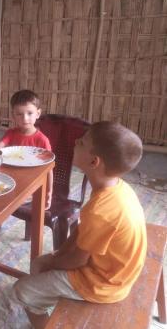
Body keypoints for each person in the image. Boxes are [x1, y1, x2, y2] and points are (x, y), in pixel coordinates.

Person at [12, 121, 146, 329]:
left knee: (23, 290)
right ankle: (50, 298)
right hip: (112, 272)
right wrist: (57, 255)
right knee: (38, 264)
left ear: (94, 162)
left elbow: (77, 259)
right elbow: (81, 234)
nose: (75, 141)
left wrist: (53, 264)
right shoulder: (116, 188)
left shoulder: (101, 210)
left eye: (82, 142)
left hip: (103, 284)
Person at [0, 89, 53, 208]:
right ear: (13, 116)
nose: (25, 118)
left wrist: (49, 192)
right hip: (11, 181)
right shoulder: (11, 133)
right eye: (19, 114)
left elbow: (49, 169)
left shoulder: (42, 140)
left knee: (1, 202)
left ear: (38, 114)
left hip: (32, 185)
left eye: (29, 113)